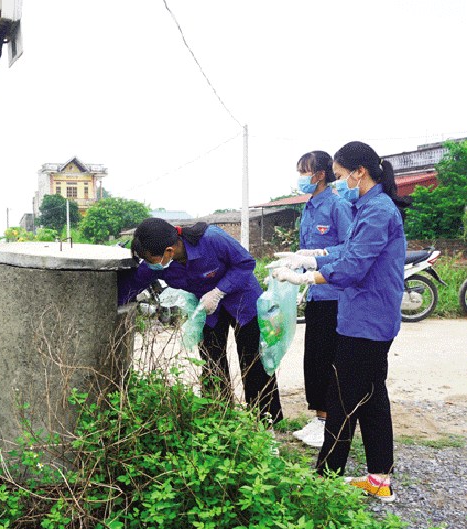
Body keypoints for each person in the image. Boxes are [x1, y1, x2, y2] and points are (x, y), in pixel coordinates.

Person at [270, 141, 405, 502]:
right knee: (372, 396)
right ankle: (379, 478)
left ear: (358, 172)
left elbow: (354, 265)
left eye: (342, 175)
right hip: (368, 317)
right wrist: (314, 256)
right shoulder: (369, 206)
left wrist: (306, 277)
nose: (340, 181)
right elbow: (349, 249)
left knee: (343, 397)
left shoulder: (377, 210)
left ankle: (326, 478)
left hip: (367, 319)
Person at [119, 218, 283, 426]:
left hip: (243, 300)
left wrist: (219, 291)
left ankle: (265, 421)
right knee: (212, 361)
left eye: (151, 259)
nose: (150, 265)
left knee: (252, 361)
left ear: (169, 250)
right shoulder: (158, 265)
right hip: (208, 309)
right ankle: (218, 418)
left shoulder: (212, 239)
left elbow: (246, 263)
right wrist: (110, 306)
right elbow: (132, 285)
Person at [286, 151, 354, 448]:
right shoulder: (310, 207)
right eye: (299, 171)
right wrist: (291, 265)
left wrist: (317, 257)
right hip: (314, 292)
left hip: (334, 294)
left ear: (321, 174)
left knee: (327, 358)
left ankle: (328, 421)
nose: (302, 177)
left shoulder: (338, 205)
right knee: (313, 358)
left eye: (305, 171)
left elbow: (351, 247)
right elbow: (305, 248)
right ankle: (318, 417)